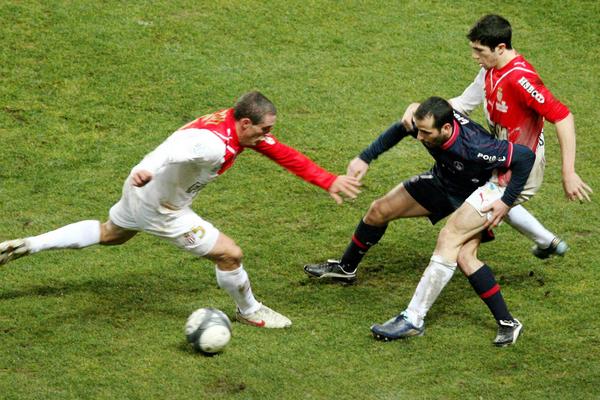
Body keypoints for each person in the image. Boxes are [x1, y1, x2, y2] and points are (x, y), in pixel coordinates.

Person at [0, 91, 361, 329]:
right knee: (230, 255)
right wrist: (147, 167)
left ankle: (28, 244)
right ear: (245, 123)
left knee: (111, 233)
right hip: (163, 208)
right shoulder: (211, 144)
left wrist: (327, 180)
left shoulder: (232, 125)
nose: (267, 134)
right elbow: (172, 149)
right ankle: (250, 311)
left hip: (140, 193)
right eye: (264, 128)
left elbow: (280, 151)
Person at [370, 15, 592, 346]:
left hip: (514, 172)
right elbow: (462, 105)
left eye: (479, 50)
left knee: (450, 236)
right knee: (464, 254)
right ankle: (510, 319)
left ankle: (413, 318)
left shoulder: (520, 79)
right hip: (498, 164)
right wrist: (419, 111)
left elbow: (562, 116)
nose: (474, 56)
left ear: (500, 48)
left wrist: (568, 171)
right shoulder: (489, 70)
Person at [305, 96, 535, 345]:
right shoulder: (426, 124)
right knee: (379, 210)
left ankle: (507, 323)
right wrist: (365, 157)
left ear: (445, 129)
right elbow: (402, 128)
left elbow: (524, 157)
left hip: (471, 196)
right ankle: (346, 268)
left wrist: (506, 201)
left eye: (426, 133)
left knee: (464, 257)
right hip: (442, 182)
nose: (419, 137)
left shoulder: (476, 147)